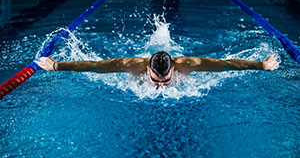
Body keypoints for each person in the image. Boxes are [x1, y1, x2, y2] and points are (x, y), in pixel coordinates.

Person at [35, 51, 279, 88]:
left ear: (174, 67)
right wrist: (56, 65)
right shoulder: (133, 66)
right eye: (155, 78)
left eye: (165, 79)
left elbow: (225, 65)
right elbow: (95, 67)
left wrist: (261, 65)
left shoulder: (189, 64)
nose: (160, 85)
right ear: (147, 69)